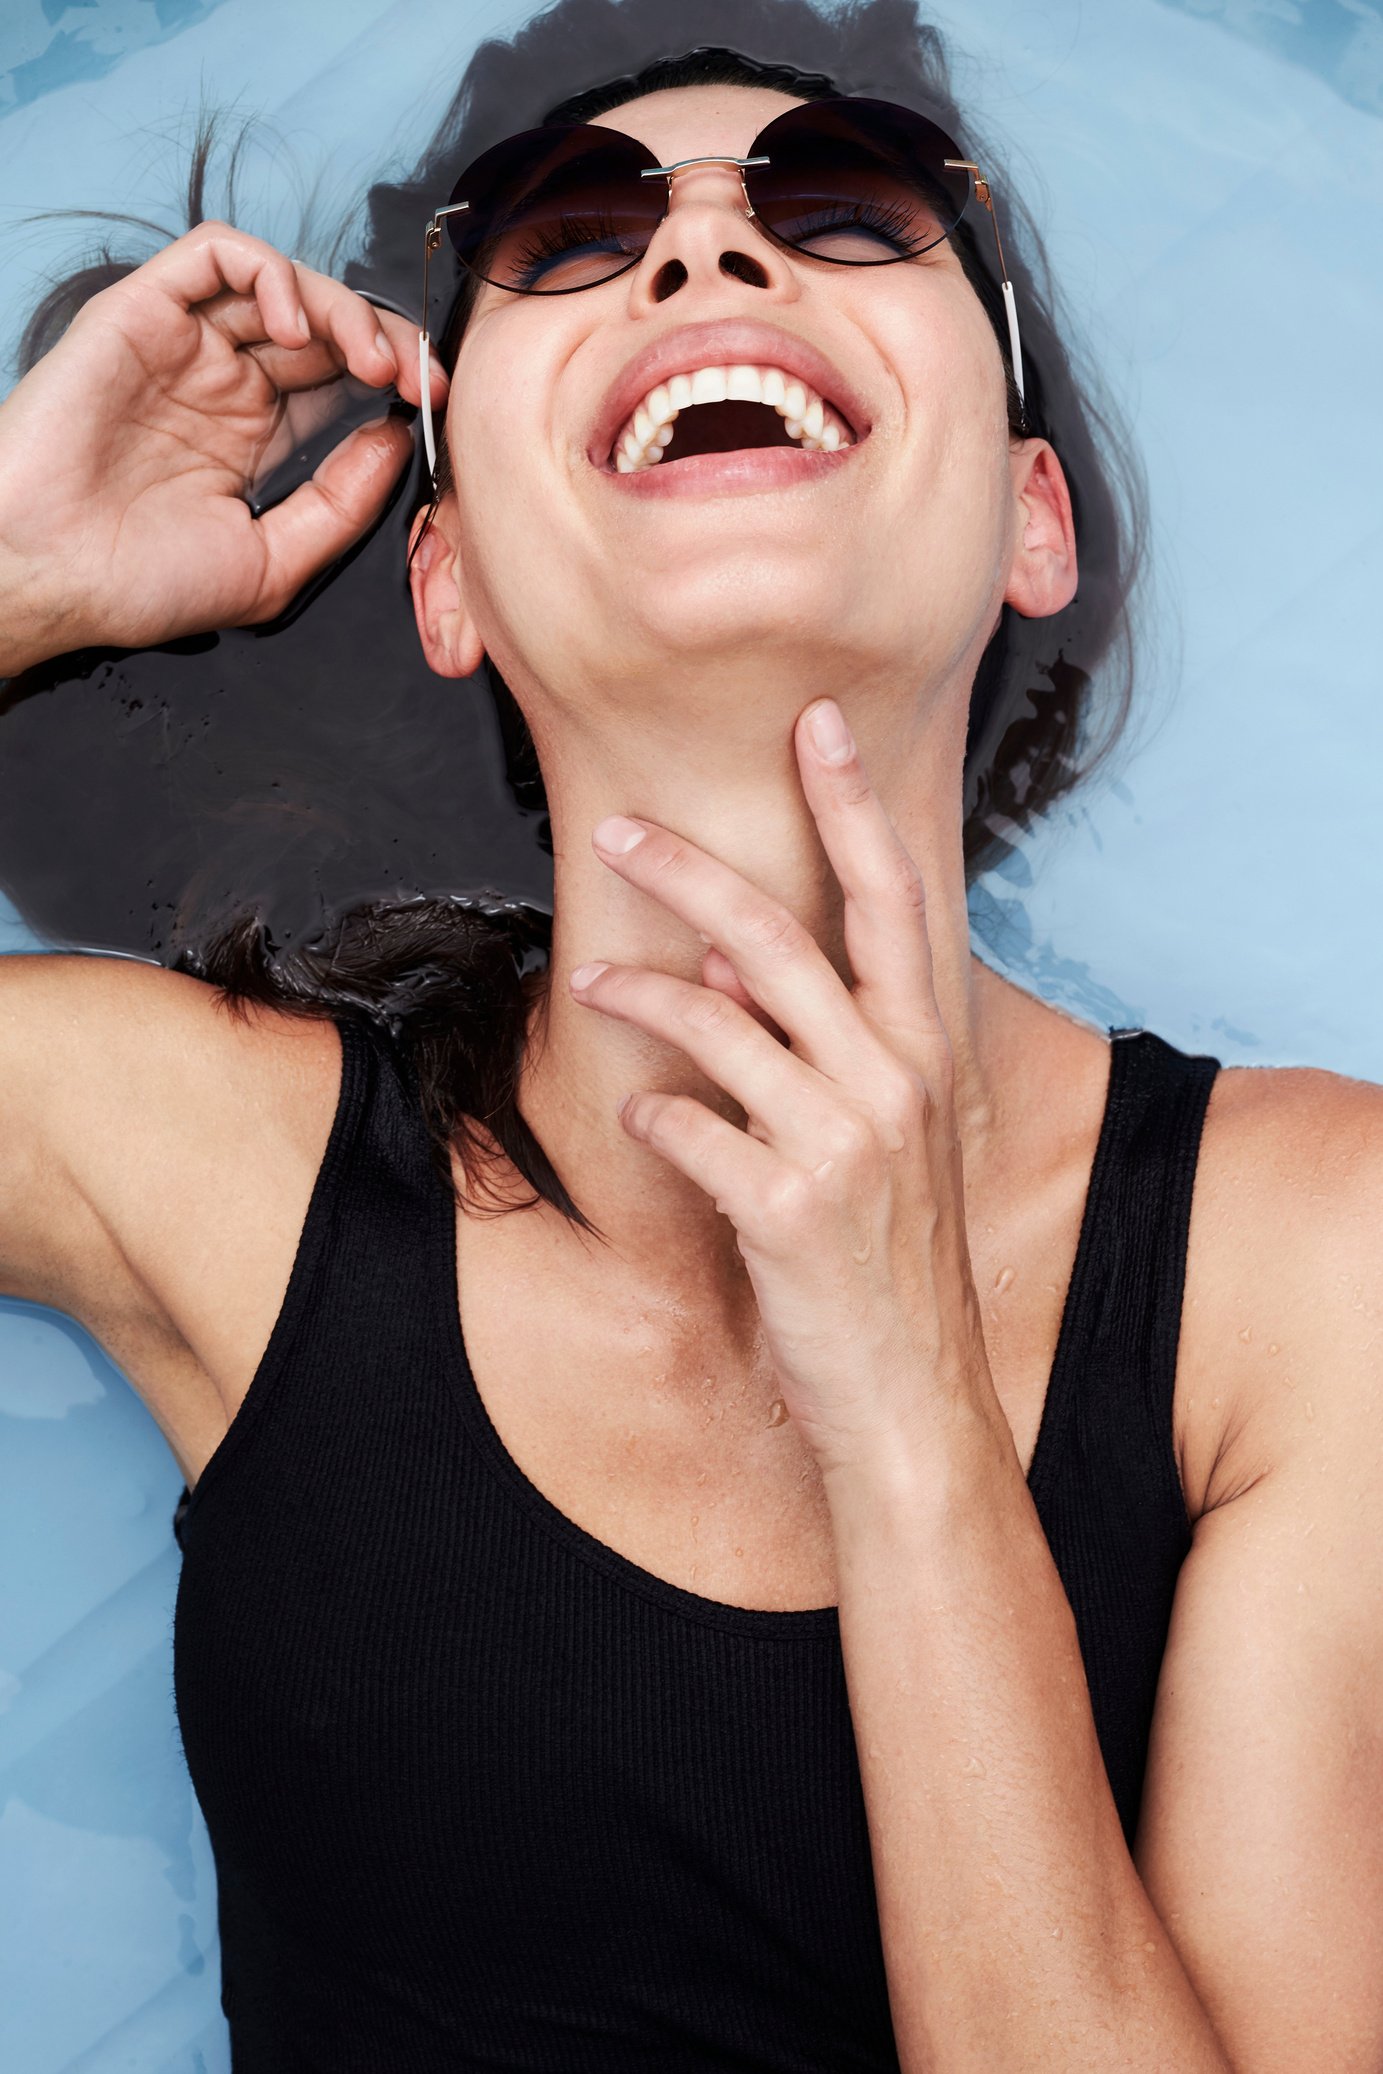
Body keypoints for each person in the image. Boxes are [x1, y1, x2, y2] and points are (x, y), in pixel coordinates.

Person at [1, 3, 1379, 2068]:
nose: (707, 249)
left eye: (841, 210)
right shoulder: (225, 1167)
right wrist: (10, 580)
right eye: (571, 232)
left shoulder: (1314, 1253)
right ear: (443, 573)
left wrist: (905, 1412)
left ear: (1028, 519)